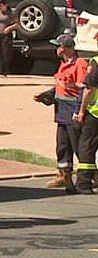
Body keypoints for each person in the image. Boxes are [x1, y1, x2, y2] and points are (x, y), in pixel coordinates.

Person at [48, 33, 86, 193]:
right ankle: (65, 177)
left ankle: (90, 176)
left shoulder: (80, 64)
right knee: (62, 146)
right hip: (61, 112)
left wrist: (79, 111)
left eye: (59, 46)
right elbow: (61, 86)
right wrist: (48, 95)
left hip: (73, 112)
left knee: (78, 146)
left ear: (65, 48)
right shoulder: (63, 63)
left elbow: (84, 88)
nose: (57, 49)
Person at [71, 46, 98, 194]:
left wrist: (81, 111)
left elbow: (89, 88)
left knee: (86, 146)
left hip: (95, 113)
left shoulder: (96, 62)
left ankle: (84, 183)